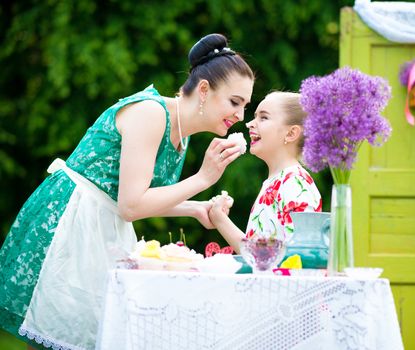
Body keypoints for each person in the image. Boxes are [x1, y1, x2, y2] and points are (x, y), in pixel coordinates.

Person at [0, 33, 254, 350]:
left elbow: (135, 197)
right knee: (65, 333)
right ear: (204, 89)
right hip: (70, 222)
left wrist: (193, 208)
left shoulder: (180, 132)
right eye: (235, 102)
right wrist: (203, 178)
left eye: (245, 106)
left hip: (102, 224)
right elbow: (130, 206)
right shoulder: (151, 114)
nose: (241, 116)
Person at [209, 92, 322, 253]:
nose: (249, 124)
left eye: (263, 118)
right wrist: (219, 216)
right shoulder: (278, 181)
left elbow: (295, 258)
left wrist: (219, 219)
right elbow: (262, 257)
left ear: (291, 133)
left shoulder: (294, 183)